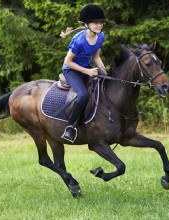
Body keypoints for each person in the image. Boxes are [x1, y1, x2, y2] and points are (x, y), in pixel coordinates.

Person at [61, 4, 107, 143]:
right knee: (83, 95)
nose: (99, 25)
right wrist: (87, 71)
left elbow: (96, 57)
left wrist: (105, 73)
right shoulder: (79, 40)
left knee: (104, 85)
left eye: (101, 22)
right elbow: (68, 61)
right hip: (71, 70)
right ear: (86, 24)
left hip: (86, 67)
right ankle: (70, 127)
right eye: (95, 22)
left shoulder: (100, 36)